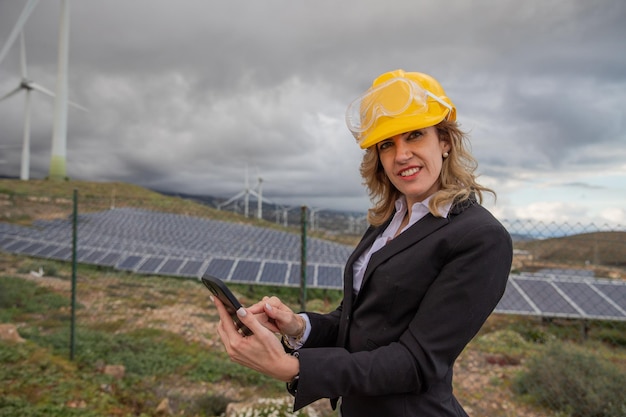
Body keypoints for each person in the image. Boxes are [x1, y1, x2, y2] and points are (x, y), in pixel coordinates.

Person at [212, 69, 513, 417]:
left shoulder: (480, 238)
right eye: (387, 143)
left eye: (415, 135)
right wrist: (297, 326)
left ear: (444, 141)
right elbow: (357, 321)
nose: (401, 155)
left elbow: (417, 362)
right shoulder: (389, 220)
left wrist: (295, 368)